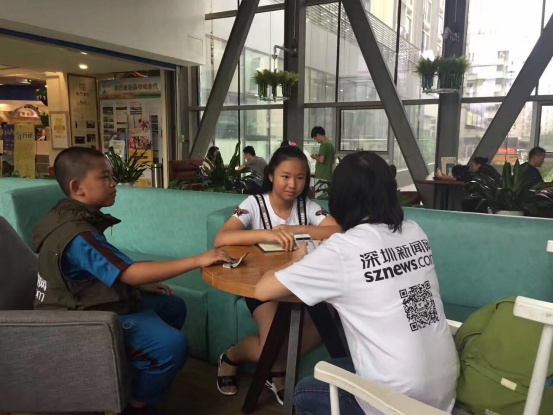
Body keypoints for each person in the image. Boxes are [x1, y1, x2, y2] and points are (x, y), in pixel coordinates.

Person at [254, 151, 458, 415]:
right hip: (441, 391)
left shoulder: (343, 250)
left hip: (395, 403)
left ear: (340, 197)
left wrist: (295, 260)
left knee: (304, 392)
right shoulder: (414, 232)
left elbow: (263, 290)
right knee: (344, 361)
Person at [33, 147, 231, 414]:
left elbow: (101, 268)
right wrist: (198, 260)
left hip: (89, 299)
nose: (114, 183)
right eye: (105, 177)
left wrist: (136, 283)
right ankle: (137, 402)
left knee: (173, 305)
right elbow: (130, 272)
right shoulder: (77, 234)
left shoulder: (70, 214)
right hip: (80, 319)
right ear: (77, 187)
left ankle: (137, 366)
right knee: (173, 346)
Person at [214, 146, 341, 403]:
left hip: (301, 284)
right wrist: (268, 233)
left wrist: (294, 229)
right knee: (269, 343)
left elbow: (337, 230)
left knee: (329, 319)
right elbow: (222, 238)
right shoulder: (254, 204)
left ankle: (276, 367)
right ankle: (232, 357)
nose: (292, 184)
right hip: (263, 286)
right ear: (271, 175)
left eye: (300, 177)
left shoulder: (307, 206)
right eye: (285, 176)